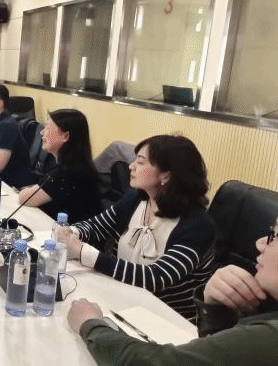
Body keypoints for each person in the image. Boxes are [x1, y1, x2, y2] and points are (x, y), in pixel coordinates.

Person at [67, 179, 278, 365]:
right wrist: (217, 311)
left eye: (275, 235)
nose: (260, 243)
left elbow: (148, 362)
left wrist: (91, 323)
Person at [61, 134, 214, 320]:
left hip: (165, 319)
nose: (131, 166)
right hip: (122, 301)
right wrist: (71, 232)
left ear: (166, 175)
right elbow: (95, 226)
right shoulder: (137, 199)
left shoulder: (198, 225)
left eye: (140, 162)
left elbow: (154, 278)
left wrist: (84, 253)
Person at [16, 109, 101, 222]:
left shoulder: (67, 172)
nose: (42, 132)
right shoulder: (77, 165)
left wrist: (24, 190)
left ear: (65, 136)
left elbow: (25, 198)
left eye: (48, 127)